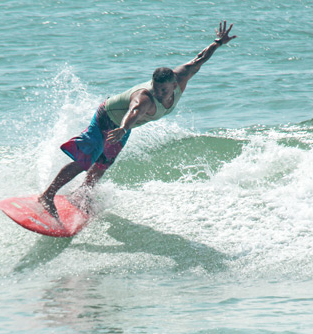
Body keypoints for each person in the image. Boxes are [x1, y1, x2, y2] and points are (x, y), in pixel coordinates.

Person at [40, 21, 236, 219]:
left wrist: (217, 42)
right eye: (156, 88)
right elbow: (134, 111)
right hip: (109, 117)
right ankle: (47, 196)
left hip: (124, 127)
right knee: (86, 161)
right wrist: (124, 128)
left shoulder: (182, 76)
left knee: (103, 163)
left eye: (164, 90)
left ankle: (82, 194)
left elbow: (199, 59)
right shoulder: (145, 97)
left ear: (174, 84)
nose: (159, 93)